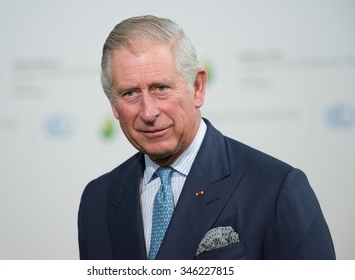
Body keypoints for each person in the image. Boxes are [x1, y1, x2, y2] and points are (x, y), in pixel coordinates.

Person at [78, 15, 335, 260]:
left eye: (161, 88)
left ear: (198, 87)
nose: (148, 112)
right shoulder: (97, 200)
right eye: (130, 93)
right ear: (113, 103)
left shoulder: (277, 189)